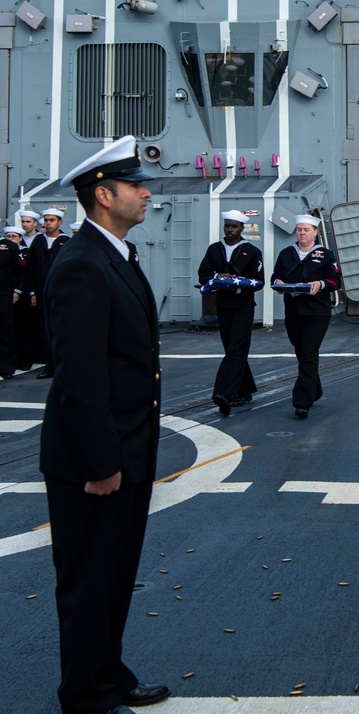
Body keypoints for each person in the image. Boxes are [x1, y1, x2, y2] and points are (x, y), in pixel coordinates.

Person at [41, 134, 169, 714]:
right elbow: (79, 376)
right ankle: (86, 696)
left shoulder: (113, 255)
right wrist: (101, 464)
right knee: (90, 582)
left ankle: (106, 675)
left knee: (114, 578)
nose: (146, 193)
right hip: (98, 462)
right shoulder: (81, 266)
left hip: (127, 452)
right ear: (102, 194)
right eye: (136, 185)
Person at [271, 214, 341, 419]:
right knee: (302, 353)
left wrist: (321, 284)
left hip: (317, 312)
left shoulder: (325, 255)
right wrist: (279, 283)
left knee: (308, 352)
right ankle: (315, 390)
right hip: (293, 312)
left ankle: (302, 402)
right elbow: (275, 275)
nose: (302, 233)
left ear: (315, 233)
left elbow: (336, 281)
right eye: (299, 229)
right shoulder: (286, 253)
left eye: (306, 230)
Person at [197, 210, 265, 415]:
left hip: (243, 306)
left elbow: (258, 281)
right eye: (227, 225)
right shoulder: (214, 249)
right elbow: (203, 274)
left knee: (237, 348)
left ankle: (226, 393)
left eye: (234, 226)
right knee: (232, 348)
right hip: (223, 305)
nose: (229, 230)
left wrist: (237, 282)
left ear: (242, 228)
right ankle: (246, 390)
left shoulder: (252, 251)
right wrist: (219, 276)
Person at [28, 207, 71, 379]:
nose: (47, 223)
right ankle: (49, 365)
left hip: (60, 292)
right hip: (41, 291)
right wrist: (32, 292)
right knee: (44, 330)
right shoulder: (38, 241)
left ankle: (63, 364)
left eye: (51, 220)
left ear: (60, 222)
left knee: (61, 329)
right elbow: (31, 269)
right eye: (46, 220)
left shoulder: (65, 241)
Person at [7, 225, 35, 371]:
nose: (11, 239)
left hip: (23, 294)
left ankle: (25, 358)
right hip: (8, 294)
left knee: (24, 327)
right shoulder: (5, 253)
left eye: (14, 236)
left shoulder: (25, 253)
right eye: (8, 236)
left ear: (20, 238)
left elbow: (27, 273)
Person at [0, 226, 26, 379]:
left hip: (4, 295)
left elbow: (20, 270)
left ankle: (6, 367)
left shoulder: (8, 247)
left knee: (6, 332)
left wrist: (17, 290)